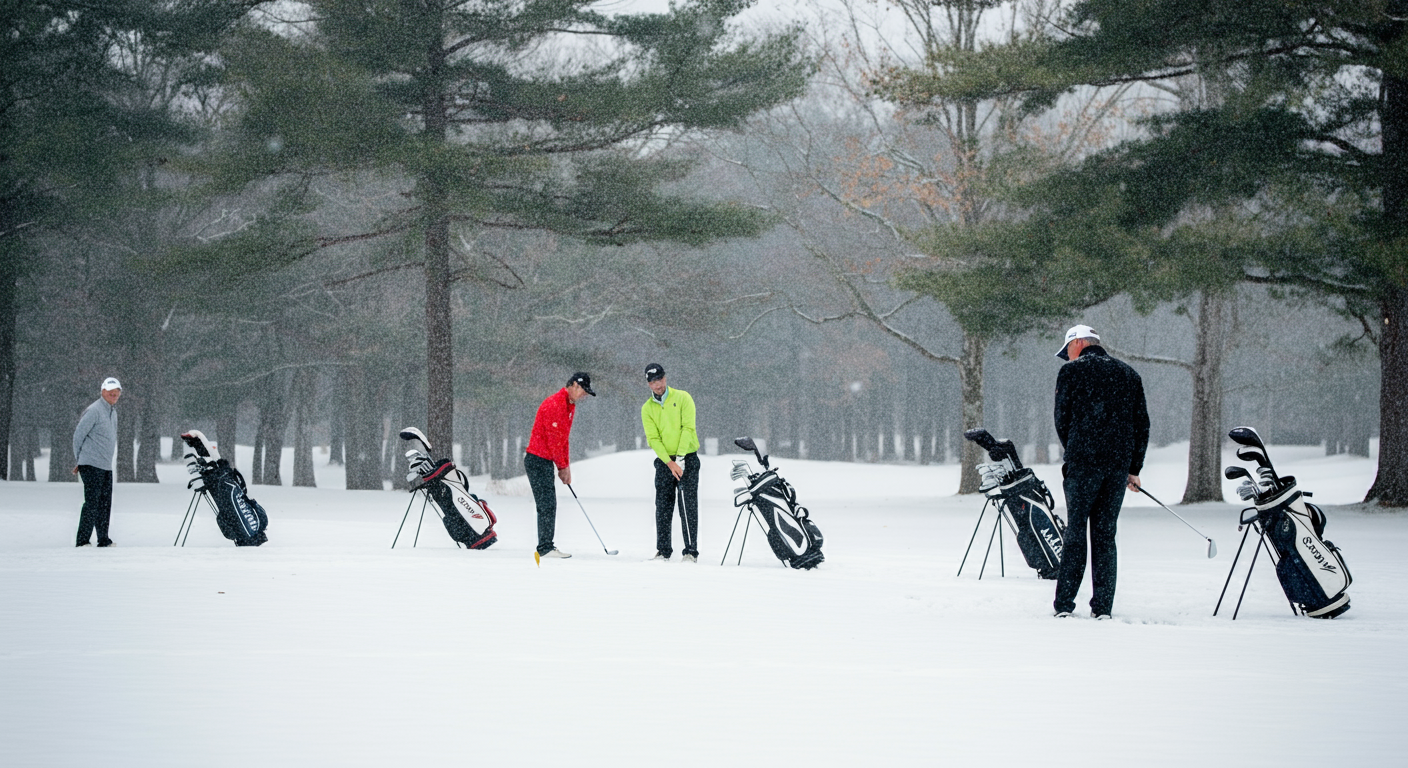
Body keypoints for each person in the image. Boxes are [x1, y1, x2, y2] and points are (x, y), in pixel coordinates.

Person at [1052, 325, 1149, 619]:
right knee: (1105, 535)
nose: (1067, 357)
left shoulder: (1071, 372)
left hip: (1083, 463)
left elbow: (1062, 418)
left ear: (1079, 343)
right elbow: (1141, 424)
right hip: (1117, 467)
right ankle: (1103, 608)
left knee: (1076, 533)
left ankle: (1065, 605)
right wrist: (1133, 468)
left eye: (1068, 350)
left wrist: (1075, 448)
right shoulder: (1129, 374)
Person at [524, 372, 595, 559]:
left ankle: (546, 546)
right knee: (546, 504)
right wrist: (562, 466)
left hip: (545, 460)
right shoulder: (555, 404)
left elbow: (564, 439)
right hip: (537, 460)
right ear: (574, 385)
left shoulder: (569, 405)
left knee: (549, 504)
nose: (585, 396)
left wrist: (566, 466)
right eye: (584, 391)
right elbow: (554, 440)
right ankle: (545, 548)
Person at [640, 363, 700, 562]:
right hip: (665, 462)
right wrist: (669, 462)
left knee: (687, 506)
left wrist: (680, 458)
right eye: (652, 382)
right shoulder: (647, 408)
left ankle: (690, 552)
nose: (657, 385)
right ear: (648, 384)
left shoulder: (683, 398)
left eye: (659, 379)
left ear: (665, 378)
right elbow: (653, 439)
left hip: (687, 459)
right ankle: (663, 551)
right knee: (663, 507)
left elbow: (688, 428)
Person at [73, 377, 122, 547]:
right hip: (90, 464)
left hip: (105, 466)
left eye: (116, 392)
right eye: (110, 392)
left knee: (105, 503)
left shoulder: (113, 412)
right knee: (92, 503)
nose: (113, 395)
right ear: (102, 392)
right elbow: (78, 436)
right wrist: (79, 460)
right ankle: (82, 541)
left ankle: (103, 540)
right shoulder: (94, 410)